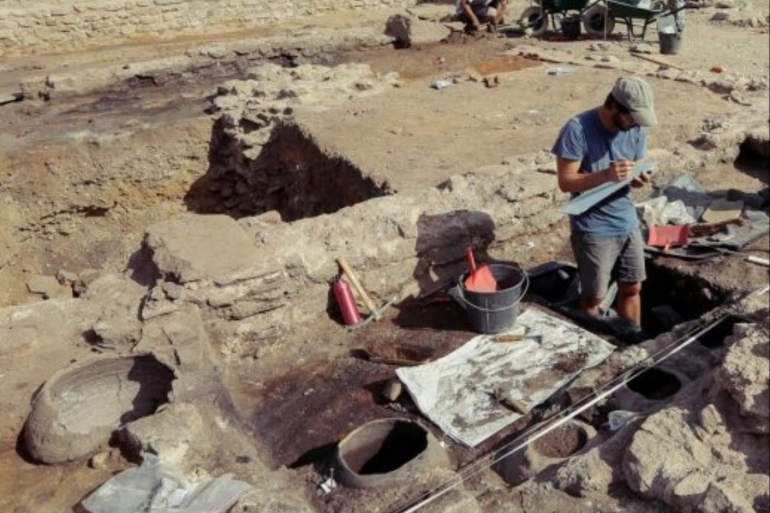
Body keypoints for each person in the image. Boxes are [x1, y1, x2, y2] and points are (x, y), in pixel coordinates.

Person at [551, 76, 657, 328]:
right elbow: (566, 182)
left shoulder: (635, 128)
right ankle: (592, 339)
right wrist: (606, 175)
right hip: (593, 227)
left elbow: (633, 169)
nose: (636, 125)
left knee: (632, 286)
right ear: (615, 106)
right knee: (594, 297)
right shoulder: (577, 129)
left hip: (626, 220)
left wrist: (638, 178)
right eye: (632, 118)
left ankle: (631, 336)